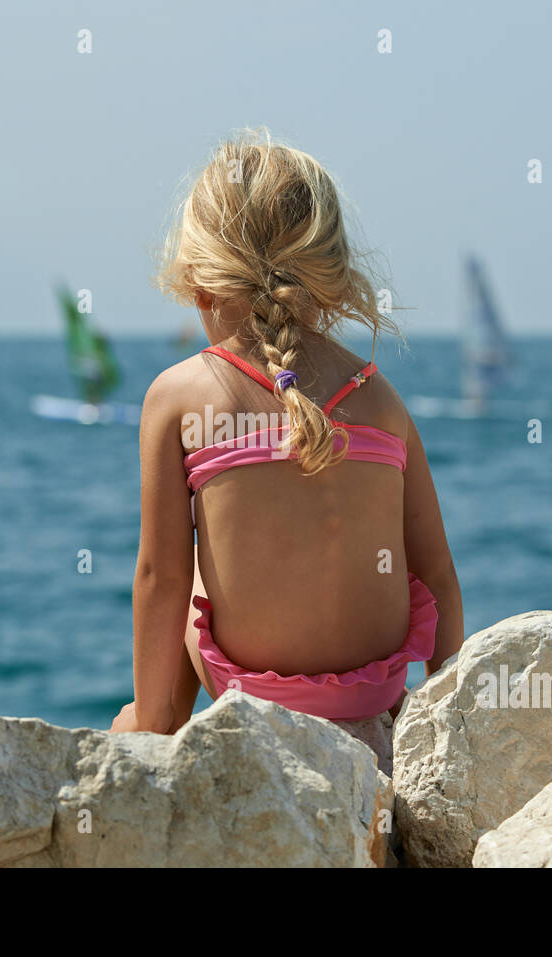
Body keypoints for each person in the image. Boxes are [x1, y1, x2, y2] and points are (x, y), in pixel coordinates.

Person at [110, 129, 464, 735]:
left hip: (253, 697)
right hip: (372, 697)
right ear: (331, 270)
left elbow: (157, 581)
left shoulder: (177, 395)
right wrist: (439, 715)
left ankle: (161, 726)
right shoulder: (382, 399)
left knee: (192, 569)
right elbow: (437, 578)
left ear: (198, 277)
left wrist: (144, 715)